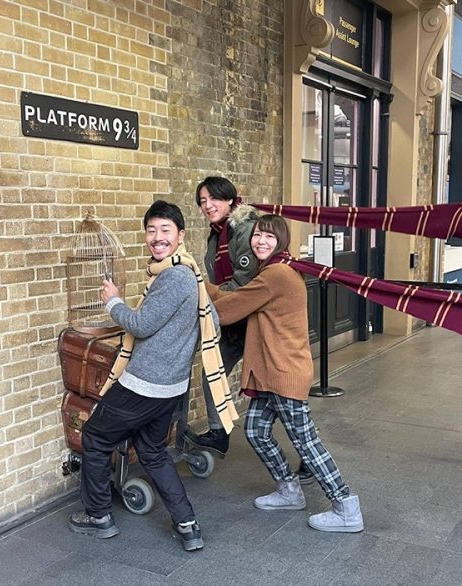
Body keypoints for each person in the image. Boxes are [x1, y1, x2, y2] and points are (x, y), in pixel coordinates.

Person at [68, 200, 235, 551]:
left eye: (165, 230)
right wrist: (176, 345)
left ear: (180, 235)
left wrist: (113, 302)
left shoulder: (174, 277)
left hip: (144, 385)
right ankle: (187, 525)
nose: (157, 237)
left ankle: (98, 516)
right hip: (169, 388)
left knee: (95, 437)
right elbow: (213, 322)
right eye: (151, 230)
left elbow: (141, 325)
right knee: (152, 450)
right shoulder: (189, 272)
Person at [205, 214, 364, 532]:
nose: (260, 241)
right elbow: (236, 300)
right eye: (257, 235)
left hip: (283, 371)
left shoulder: (275, 274)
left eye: (269, 236)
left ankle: (346, 506)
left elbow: (229, 309)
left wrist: (196, 284)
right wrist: (203, 286)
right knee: (256, 431)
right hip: (272, 371)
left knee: (306, 442)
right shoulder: (275, 270)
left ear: (281, 241)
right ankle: (289, 490)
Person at [184, 176, 315, 485]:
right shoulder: (217, 235)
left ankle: (309, 456)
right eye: (202, 201)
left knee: (284, 394)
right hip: (236, 320)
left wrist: (208, 297)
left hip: (256, 319)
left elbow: (245, 282)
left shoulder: (243, 229)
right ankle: (219, 433)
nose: (207, 206)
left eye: (214, 199)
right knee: (213, 371)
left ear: (230, 199)